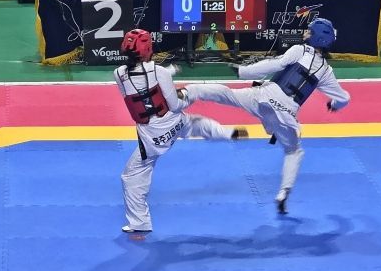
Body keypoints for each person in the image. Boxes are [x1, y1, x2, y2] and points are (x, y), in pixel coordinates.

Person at [183, 18, 350, 214]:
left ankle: (189, 92)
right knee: (293, 152)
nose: (305, 33)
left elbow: (273, 65)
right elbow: (344, 98)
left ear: (317, 38)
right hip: (286, 115)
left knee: (227, 94)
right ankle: (284, 192)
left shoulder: (300, 50)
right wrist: (334, 105)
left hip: (264, 97)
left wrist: (244, 71)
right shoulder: (326, 71)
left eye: (309, 31)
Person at [115, 29, 247, 233]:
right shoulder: (159, 71)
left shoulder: (119, 74)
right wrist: (182, 92)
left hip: (153, 136)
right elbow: (175, 105)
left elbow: (141, 87)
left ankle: (139, 222)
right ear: (148, 48)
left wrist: (169, 73)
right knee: (195, 107)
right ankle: (226, 131)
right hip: (174, 121)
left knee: (131, 177)